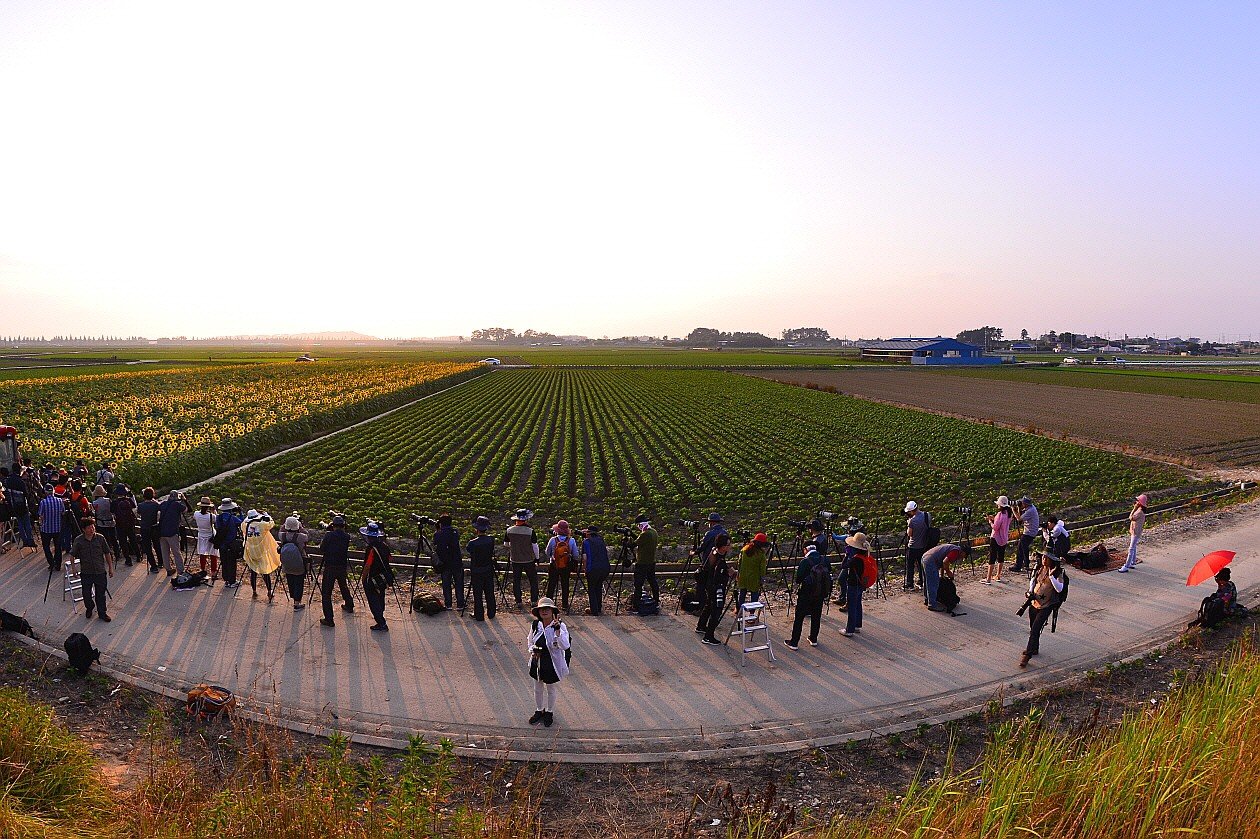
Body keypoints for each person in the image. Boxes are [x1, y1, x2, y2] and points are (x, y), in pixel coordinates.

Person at [526, 597, 570, 728]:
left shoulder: (560, 626)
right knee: (537, 688)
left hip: (552, 662)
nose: (544, 611)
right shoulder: (535, 625)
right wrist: (532, 650)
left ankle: (549, 712)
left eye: (547, 609)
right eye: (541, 609)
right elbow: (530, 641)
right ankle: (539, 710)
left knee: (550, 688)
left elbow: (565, 645)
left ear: (552, 611)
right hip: (537, 660)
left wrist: (557, 631)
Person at [1019, 553, 1065, 667]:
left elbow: (1059, 589)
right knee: (1033, 627)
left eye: (1047, 558)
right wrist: (1030, 592)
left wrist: (1051, 576)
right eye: (1043, 557)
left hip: (1046, 605)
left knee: (1035, 629)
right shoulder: (1038, 568)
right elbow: (1033, 581)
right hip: (1034, 603)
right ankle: (1034, 648)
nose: (1044, 560)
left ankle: (1028, 655)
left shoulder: (1058, 572)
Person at [784, 543, 831, 650]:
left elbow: (798, 579)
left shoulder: (805, 562)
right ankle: (813, 638)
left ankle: (794, 642)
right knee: (816, 615)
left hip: (806, 593)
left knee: (799, 617)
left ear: (805, 550)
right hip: (820, 593)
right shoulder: (824, 560)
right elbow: (829, 572)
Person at [70, 518, 114, 622]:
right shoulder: (79, 540)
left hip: (100, 571)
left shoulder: (100, 538)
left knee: (101, 595)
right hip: (86, 572)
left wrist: (110, 568)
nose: (92, 529)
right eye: (89, 527)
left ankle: (102, 613)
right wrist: (74, 569)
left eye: (93, 526)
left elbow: (107, 553)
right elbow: (72, 555)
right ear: (84, 529)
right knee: (86, 594)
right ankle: (89, 607)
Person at [695, 533, 733, 646]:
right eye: (728, 544)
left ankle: (701, 626)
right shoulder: (720, 560)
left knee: (708, 605)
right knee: (716, 610)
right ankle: (708, 636)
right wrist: (728, 573)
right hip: (716, 587)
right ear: (723, 546)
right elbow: (718, 575)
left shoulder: (714, 551)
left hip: (709, 585)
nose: (730, 547)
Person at [317, 514, 354, 626]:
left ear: (333, 525)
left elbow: (322, 549)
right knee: (343, 586)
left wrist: (327, 534)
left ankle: (329, 619)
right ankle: (349, 604)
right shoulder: (346, 537)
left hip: (330, 567)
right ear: (343, 526)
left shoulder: (329, 536)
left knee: (326, 593)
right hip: (342, 566)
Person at [359, 521, 396, 631]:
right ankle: (381, 613)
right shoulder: (384, 546)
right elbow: (389, 559)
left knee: (373, 600)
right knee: (381, 596)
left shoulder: (371, 549)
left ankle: (381, 622)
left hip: (373, 578)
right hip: (383, 577)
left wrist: (363, 578)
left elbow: (367, 565)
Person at [241, 509, 280, 599]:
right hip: (262, 551)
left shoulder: (245, 525)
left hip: (251, 551)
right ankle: (269, 591)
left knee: (253, 572)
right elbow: (271, 523)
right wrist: (266, 514)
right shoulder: (262, 525)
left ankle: (254, 591)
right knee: (265, 572)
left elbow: (243, 522)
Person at [505, 509, 540, 607]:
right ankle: (534, 600)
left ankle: (518, 601)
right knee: (533, 580)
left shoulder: (509, 530)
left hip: (515, 559)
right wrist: (537, 558)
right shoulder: (530, 531)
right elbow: (535, 546)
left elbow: (506, 544)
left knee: (516, 580)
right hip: (528, 559)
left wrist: (515, 546)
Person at [841, 533, 873, 637]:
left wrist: (846, 555)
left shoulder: (855, 559)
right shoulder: (865, 556)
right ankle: (857, 625)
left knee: (852, 606)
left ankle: (849, 629)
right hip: (861, 584)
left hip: (853, 584)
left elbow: (843, 566)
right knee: (858, 604)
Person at [466, 516, 497, 621]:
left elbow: (468, 550)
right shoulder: (491, 540)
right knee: (489, 591)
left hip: (476, 570)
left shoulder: (472, 543)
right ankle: (491, 613)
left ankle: (479, 615)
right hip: (488, 569)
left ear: (477, 529)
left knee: (478, 594)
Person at [922, 543, 968, 612]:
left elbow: (943, 563)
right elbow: (945, 562)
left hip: (925, 557)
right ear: (963, 552)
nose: (963, 558)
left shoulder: (953, 548)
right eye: (965, 556)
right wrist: (948, 572)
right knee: (933, 583)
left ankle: (927, 599)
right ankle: (932, 605)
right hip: (930, 561)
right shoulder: (956, 552)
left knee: (928, 581)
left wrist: (942, 575)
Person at [544, 520, 578, 612]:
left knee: (552, 584)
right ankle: (564, 605)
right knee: (565, 585)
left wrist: (553, 556)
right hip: (566, 566)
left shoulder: (552, 540)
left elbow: (547, 553)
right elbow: (576, 555)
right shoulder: (571, 541)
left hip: (554, 565)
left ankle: (548, 604)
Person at [433, 514, 465, 611]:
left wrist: (437, 529)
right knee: (459, 583)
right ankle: (460, 604)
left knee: (446, 584)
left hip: (444, 563)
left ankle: (448, 604)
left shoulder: (438, 534)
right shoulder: (455, 532)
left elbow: (435, 543)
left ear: (440, 523)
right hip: (456, 562)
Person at [278, 515, 309, 609]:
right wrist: (300, 526)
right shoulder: (301, 537)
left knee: (290, 579)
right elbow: (307, 535)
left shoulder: (282, 535)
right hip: (299, 562)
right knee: (299, 581)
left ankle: (293, 596)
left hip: (287, 562)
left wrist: (286, 524)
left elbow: (281, 529)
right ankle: (297, 602)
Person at [157, 491, 189, 576]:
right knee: (176, 553)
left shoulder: (163, 504)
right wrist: (184, 500)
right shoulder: (176, 505)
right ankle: (181, 571)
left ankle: (168, 569)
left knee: (165, 552)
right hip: (172, 532)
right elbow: (186, 510)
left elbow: (158, 507)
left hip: (162, 532)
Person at [1, 467, 35, 548]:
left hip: (14, 505)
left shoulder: (8, 481)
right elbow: (26, 493)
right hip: (23, 505)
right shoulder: (20, 481)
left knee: (20, 523)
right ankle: (30, 540)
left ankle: (24, 541)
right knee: (27, 523)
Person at [215, 499, 245, 589]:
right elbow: (242, 522)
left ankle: (226, 580)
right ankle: (232, 581)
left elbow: (218, 527)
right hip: (231, 544)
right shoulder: (232, 518)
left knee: (224, 562)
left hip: (221, 544)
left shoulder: (218, 517)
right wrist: (240, 513)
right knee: (232, 563)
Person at [984, 495, 1014, 584]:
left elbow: (995, 527)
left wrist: (990, 521)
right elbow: (1004, 523)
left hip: (996, 538)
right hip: (1004, 538)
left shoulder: (999, 515)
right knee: (1001, 557)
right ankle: (998, 575)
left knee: (992, 558)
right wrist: (994, 519)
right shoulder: (1009, 514)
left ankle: (988, 578)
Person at [581, 525, 610, 615]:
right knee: (598, 587)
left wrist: (585, 569)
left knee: (592, 589)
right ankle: (599, 607)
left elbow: (585, 558)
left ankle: (594, 610)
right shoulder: (601, 540)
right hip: (604, 568)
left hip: (592, 568)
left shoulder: (586, 542)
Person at [735, 532, 769, 609]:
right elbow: (762, 569)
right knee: (754, 595)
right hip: (754, 578)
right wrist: (762, 579)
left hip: (743, 576)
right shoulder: (761, 554)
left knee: (742, 594)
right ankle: (751, 613)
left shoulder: (744, 550)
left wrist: (738, 574)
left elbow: (739, 563)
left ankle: (739, 611)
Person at [37, 485, 66, 572]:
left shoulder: (43, 502)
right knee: (58, 547)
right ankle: (58, 564)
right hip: (57, 528)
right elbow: (63, 512)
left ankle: (51, 563)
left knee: (46, 546)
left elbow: (40, 515)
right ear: (53, 491)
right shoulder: (59, 501)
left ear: (45, 492)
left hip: (46, 529)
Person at [111, 485, 140, 565]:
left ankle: (128, 559)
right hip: (130, 523)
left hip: (120, 525)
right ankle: (138, 556)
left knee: (123, 542)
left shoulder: (114, 502)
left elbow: (112, 512)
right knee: (133, 539)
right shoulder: (128, 500)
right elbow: (134, 506)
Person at [1119, 494, 1148, 573]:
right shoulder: (1141, 510)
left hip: (1135, 532)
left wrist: (1134, 508)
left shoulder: (1139, 512)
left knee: (1131, 548)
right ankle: (1132, 561)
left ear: (1140, 503)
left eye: (1137, 501)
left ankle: (1126, 566)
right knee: (1134, 547)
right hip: (1135, 531)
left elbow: (1131, 517)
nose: (1136, 502)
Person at [193, 496, 220, 580]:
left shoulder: (196, 514)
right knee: (213, 554)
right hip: (210, 535)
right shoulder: (211, 516)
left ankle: (203, 570)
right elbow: (217, 520)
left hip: (201, 535)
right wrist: (214, 511)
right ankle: (213, 572)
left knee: (202, 554)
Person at [136, 487, 162, 573]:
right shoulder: (155, 505)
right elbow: (160, 508)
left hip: (144, 528)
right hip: (154, 527)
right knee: (157, 546)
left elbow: (139, 513)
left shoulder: (141, 505)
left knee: (148, 548)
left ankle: (153, 566)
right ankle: (161, 562)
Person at [903, 501, 927, 591]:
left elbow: (909, 534)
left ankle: (910, 584)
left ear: (912, 511)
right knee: (921, 565)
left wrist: (908, 523)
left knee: (910, 565)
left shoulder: (912, 521)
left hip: (913, 546)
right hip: (923, 545)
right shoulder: (926, 515)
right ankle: (922, 582)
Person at [1012, 496, 1040, 574]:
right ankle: (1025, 564)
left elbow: (1019, 519)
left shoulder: (1030, 511)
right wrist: (1018, 508)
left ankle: (1019, 566)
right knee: (1023, 547)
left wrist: (1013, 510)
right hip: (1031, 531)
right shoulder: (1031, 507)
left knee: (1021, 548)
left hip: (1029, 532)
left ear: (1025, 504)